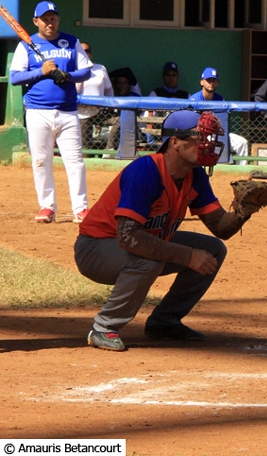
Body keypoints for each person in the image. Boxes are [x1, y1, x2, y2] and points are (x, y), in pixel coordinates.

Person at [75, 110, 253, 352]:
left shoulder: (195, 175)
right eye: (200, 137)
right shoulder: (145, 171)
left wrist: (244, 211)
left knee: (212, 249)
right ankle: (104, 328)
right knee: (148, 262)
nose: (207, 144)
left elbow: (221, 227)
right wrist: (187, 255)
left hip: (140, 241)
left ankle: (164, 322)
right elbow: (129, 238)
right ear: (175, 142)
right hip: (97, 247)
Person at [9, 0, 93, 224]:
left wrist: (68, 76)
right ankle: (47, 206)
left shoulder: (71, 42)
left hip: (67, 112)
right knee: (41, 160)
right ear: (36, 21)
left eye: (53, 18)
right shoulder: (26, 45)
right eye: (45, 19)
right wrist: (41, 72)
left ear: (58, 19)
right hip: (37, 111)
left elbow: (86, 71)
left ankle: (81, 209)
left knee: (75, 161)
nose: (49, 23)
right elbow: (15, 77)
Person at [188, 67, 250, 166]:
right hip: (201, 136)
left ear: (217, 83)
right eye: (208, 80)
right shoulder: (194, 100)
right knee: (214, 145)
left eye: (214, 80)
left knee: (242, 143)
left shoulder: (220, 99)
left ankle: (241, 172)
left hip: (218, 134)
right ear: (202, 82)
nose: (211, 83)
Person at [76, 42, 114, 151]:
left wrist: (110, 105)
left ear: (90, 54)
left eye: (87, 51)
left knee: (119, 121)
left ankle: (109, 150)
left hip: (99, 111)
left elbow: (108, 89)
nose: (84, 53)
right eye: (81, 51)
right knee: (85, 150)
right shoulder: (72, 70)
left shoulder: (100, 68)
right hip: (82, 113)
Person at [103, 71, 141, 158]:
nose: (122, 85)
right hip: (111, 130)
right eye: (119, 83)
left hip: (132, 129)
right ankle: (109, 150)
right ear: (115, 85)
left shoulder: (134, 95)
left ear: (128, 85)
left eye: (124, 83)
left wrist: (107, 74)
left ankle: (109, 150)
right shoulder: (111, 97)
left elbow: (128, 70)